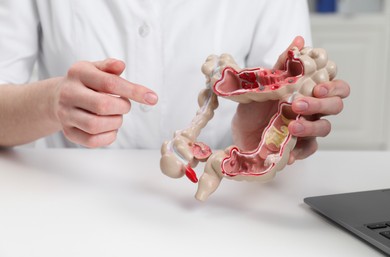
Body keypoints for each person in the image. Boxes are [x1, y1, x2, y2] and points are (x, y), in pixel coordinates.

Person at [0, 0, 349, 165]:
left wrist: (270, 133)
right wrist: (51, 103)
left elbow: (286, 86)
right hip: (65, 202)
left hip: (224, 210)